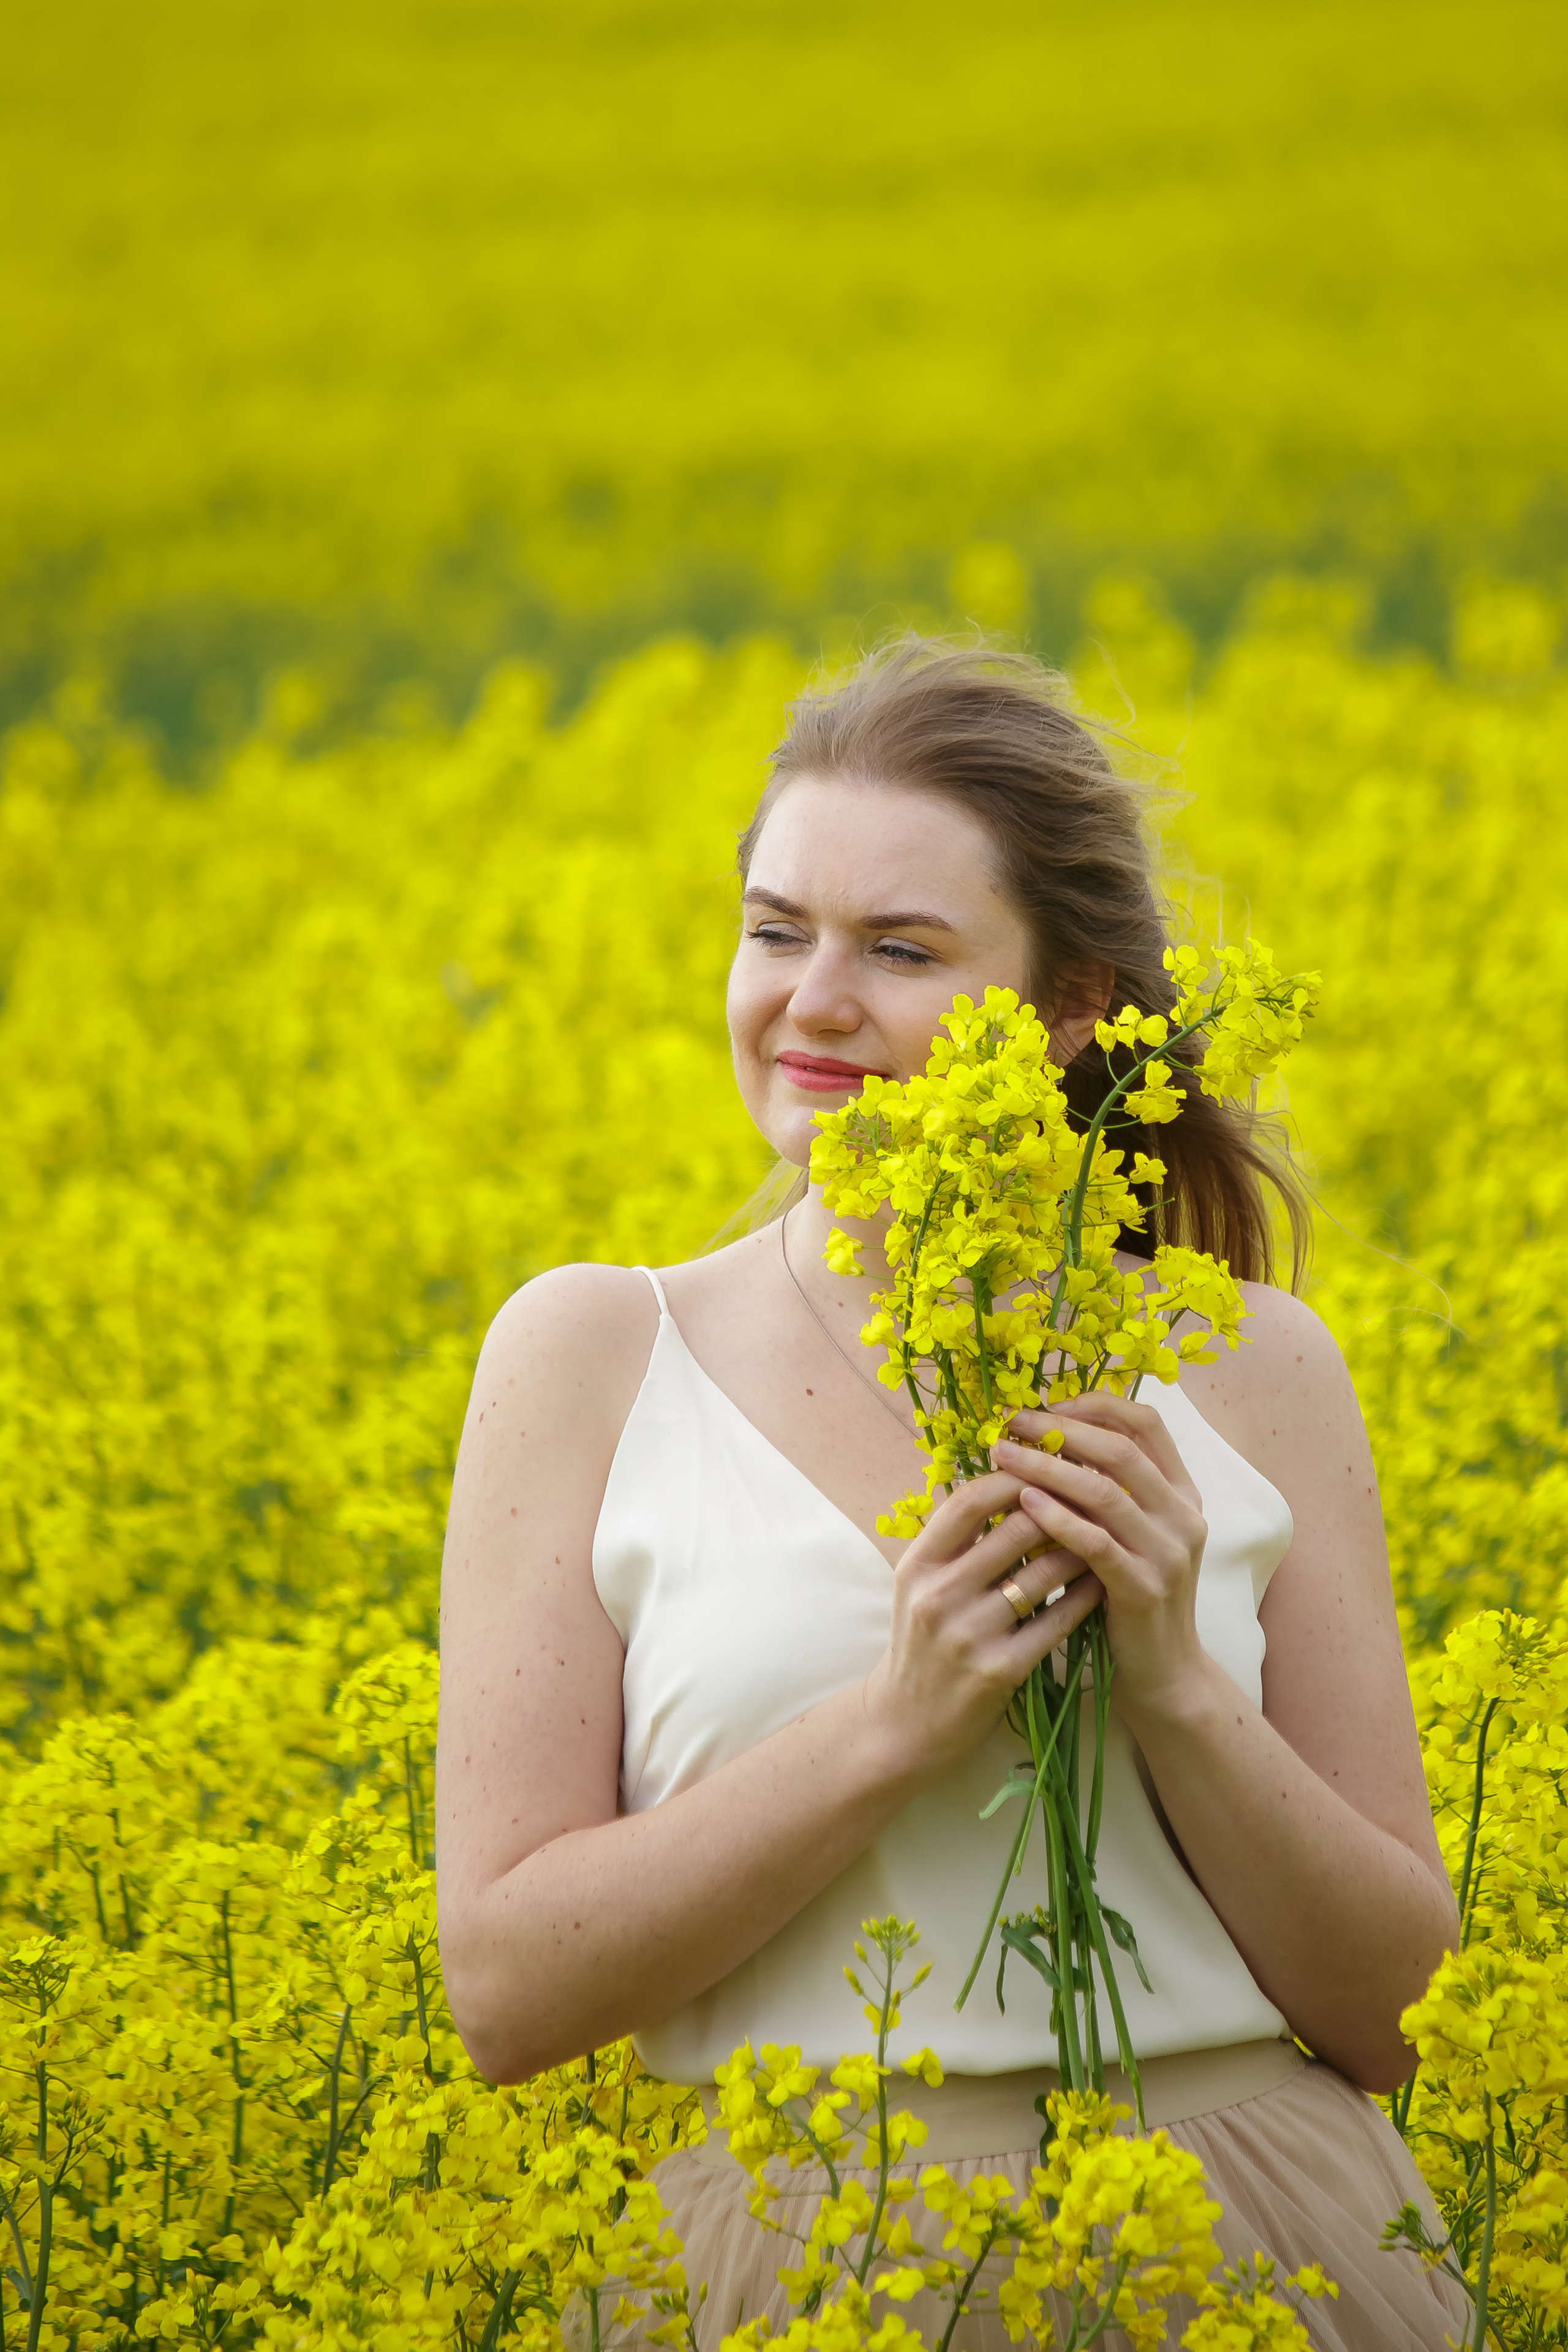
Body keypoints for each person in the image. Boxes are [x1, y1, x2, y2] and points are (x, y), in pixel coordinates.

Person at [435, 639, 1469, 2350]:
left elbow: (1396, 2015)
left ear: (1069, 1012)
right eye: (776, 931)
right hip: (814, 2261)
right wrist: (894, 1723)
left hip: (1262, 2238)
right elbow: (505, 1991)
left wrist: (1175, 1685)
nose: (812, 1003)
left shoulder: (1254, 1364)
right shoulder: (592, 1355)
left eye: (901, 950)